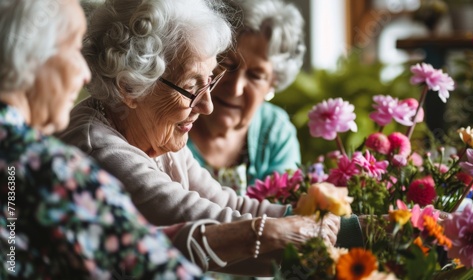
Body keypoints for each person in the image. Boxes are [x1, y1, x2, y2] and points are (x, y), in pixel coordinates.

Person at [56, 0, 363, 275]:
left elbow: (226, 203)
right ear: (129, 85)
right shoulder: (99, 149)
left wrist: (354, 225)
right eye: (192, 87)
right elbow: (208, 222)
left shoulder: (156, 136)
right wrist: (349, 233)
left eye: (210, 81)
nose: (207, 105)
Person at [0, 0, 204, 278]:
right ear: (30, 55)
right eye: (73, 49)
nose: (84, 74)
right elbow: (155, 268)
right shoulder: (50, 170)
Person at [188, 0, 303, 195]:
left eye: (256, 75)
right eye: (227, 64)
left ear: (272, 84)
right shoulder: (172, 122)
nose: (235, 89)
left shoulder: (275, 133)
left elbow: (283, 215)